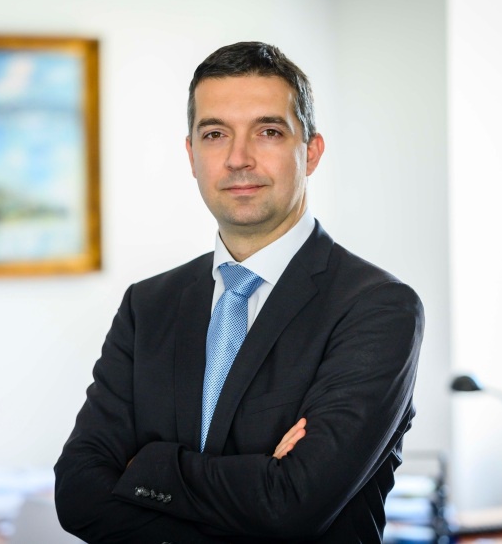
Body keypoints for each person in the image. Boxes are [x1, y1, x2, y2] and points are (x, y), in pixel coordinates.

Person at [54, 41, 424, 543]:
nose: (238, 159)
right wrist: (257, 482)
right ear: (191, 155)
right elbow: (77, 492)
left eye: (268, 132)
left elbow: (293, 506)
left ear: (311, 152)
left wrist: (151, 466)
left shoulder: (376, 309)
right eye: (215, 134)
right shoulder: (149, 306)